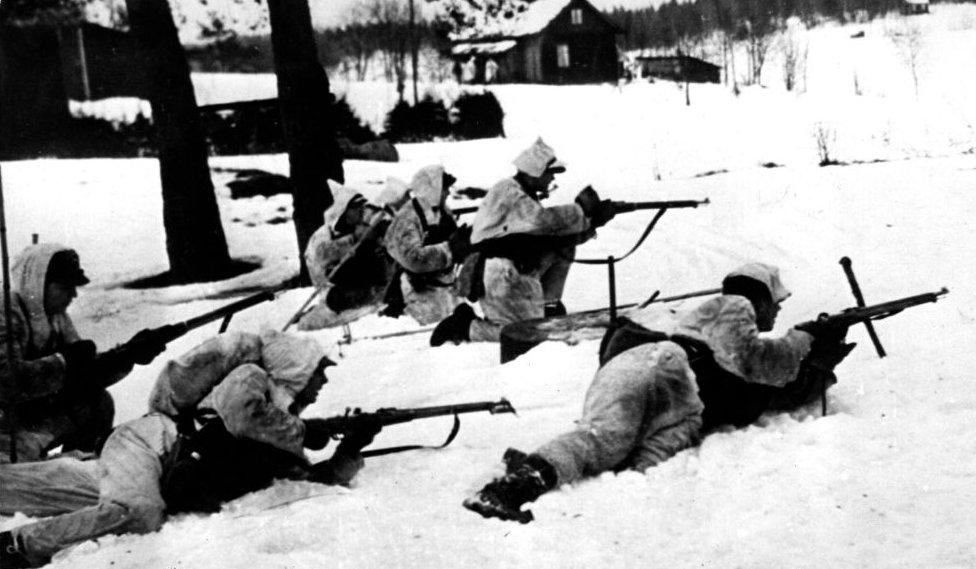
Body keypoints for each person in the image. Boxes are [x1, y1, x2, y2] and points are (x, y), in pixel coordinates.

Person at [462, 262, 854, 523]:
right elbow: (753, 361)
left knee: (605, 444)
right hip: (659, 368)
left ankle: (535, 470)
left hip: (641, 369)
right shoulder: (735, 306)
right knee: (605, 439)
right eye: (777, 303)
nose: (778, 313)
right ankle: (509, 488)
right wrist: (805, 339)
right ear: (760, 296)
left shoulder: (698, 313)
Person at [0, 330, 381, 568]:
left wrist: (350, 449)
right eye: (318, 374)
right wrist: (302, 430)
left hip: (151, 468)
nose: (321, 386)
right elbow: (240, 413)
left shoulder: (279, 424)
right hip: (148, 446)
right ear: (297, 368)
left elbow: (309, 481)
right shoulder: (254, 377)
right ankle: (18, 547)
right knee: (139, 513)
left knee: (17, 485)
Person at [430, 138, 617, 346]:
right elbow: (542, 220)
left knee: (563, 248)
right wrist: (582, 212)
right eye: (549, 173)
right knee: (521, 335)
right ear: (535, 171)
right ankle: (466, 327)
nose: (551, 179)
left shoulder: (523, 196)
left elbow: (552, 237)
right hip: (498, 272)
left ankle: (549, 305)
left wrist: (592, 223)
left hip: (513, 271)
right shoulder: (509, 191)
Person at [0, 243, 166, 463]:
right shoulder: (7, 313)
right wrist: (63, 361)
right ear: (38, 284)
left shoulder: (55, 318)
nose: (74, 294)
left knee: (97, 402)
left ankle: (80, 467)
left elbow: (84, 375)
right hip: (7, 429)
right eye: (65, 286)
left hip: (35, 418)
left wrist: (127, 355)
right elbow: (6, 380)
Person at [297, 180, 405, 330]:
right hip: (333, 289)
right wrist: (354, 240)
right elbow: (324, 256)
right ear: (344, 210)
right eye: (357, 208)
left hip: (362, 286)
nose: (362, 212)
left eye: (362, 208)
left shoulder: (359, 228)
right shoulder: (324, 235)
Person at [384, 165, 471, 325]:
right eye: (444, 188)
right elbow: (412, 259)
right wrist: (451, 249)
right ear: (433, 189)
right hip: (418, 294)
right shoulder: (407, 218)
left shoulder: (442, 211)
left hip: (446, 288)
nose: (448, 193)